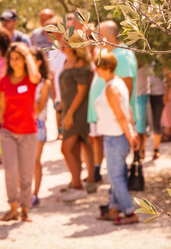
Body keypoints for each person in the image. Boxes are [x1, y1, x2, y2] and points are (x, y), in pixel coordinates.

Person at [0, 43, 41, 222]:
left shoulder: (30, 78)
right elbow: (1, 106)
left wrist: (27, 53)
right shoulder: (4, 81)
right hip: (8, 131)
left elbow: (35, 75)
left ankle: (25, 209)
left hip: (28, 131)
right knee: (10, 171)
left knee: (26, 173)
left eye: (18, 58)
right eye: (12, 59)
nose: (15, 62)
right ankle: (13, 208)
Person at [93, 51, 140, 225]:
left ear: (106, 68)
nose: (96, 70)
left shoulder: (111, 88)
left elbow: (121, 115)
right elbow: (128, 110)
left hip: (115, 138)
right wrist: (132, 132)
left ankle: (130, 213)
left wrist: (130, 136)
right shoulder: (118, 83)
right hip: (117, 137)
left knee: (115, 178)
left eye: (98, 67)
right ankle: (113, 210)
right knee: (117, 175)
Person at [59, 30, 96, 202]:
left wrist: (70, 113)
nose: (60, 42)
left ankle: (78, 187)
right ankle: (78, 182)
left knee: (66, 148)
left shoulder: (80, 63)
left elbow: (82, 91)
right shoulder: (67, 60)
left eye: (63, 39)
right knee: (73, 149)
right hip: (68, 110)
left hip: (78, 112)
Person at [99, 21, 142, 143]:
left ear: (110, 36)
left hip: (119, 120)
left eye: (100, 34)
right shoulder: (111, 52)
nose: (97, 38)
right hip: (114, 119)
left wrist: (126, 123)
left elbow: (127, 88)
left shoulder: (123, 55)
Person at [32, 49, 53, 207]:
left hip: (38, 125)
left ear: (38, 62)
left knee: (35, 161)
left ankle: (34, 194)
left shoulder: (44, 82)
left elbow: (38, 108)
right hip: (23, 124)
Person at [147, 64, 171, 159]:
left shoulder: (160, 56)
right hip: (145, 94)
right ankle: (140, 151)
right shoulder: (140, 54)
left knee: (156, 123)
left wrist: (167, 94)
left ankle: (156, 149)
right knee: (143, 123)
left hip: (158, 94)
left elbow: (168, 76)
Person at [135, 59, 153, 159]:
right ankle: (137, 152)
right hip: (133, 98)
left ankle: (141, 151)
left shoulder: (146, 65)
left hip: (142, 97)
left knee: (141, 129)